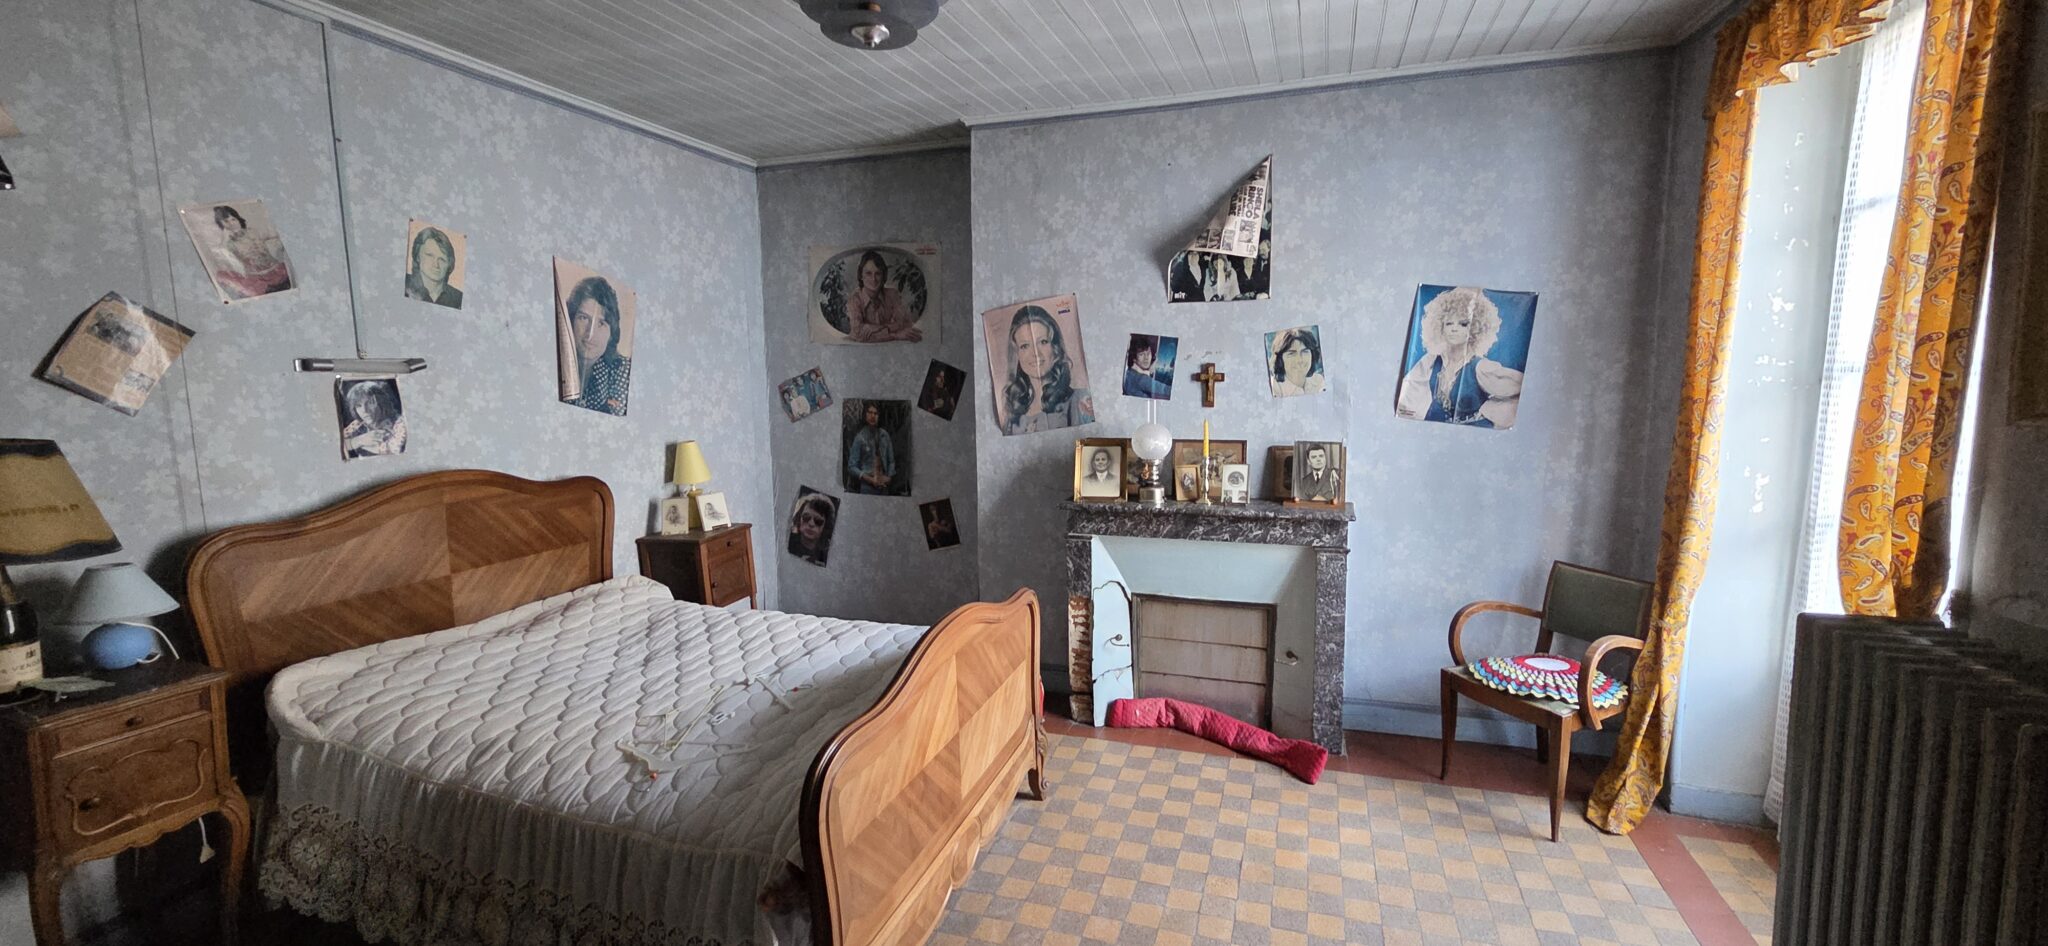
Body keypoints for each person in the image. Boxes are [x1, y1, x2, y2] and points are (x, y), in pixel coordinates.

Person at [1396, 286, 1523, 428]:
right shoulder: (1431, 360)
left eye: (1463, 324)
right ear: (1440, 327)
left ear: (1475, 328)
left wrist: (1489, 413)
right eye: (1448, 323)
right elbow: (1407, 391)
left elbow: (1520, 388)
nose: (1454, 328)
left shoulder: (1481, 367)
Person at [999, 305, 1095, 434]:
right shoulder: (1012, 417)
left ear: (1056, 349)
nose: (1035, 353)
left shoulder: (1080, 400)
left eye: (1043, 342)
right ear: (1017, 355)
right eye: (1025, 346)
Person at [564, 276, 632, 416]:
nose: (590, 333)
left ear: (611, 333)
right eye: (583, 318)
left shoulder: (622, 371)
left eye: (601, 323)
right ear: (570, 321)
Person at [205, 204, 292, 299]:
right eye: (226, 221)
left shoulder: (252, 231)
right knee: (223, 276)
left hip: (273, 267)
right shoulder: (229, 243)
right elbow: (223, 252)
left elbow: (271, 236)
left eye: (233, 219)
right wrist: (225, 236)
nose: (231, 223)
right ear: (221, 224)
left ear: (238, 219)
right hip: (255, 275)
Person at [846, 250, 922, 342]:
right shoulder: (854, 299)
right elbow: (858, 334)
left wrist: (877, 328)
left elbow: (905, 324)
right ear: (861, 276)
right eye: (868, 273)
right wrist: (895, 335)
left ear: (883, 276)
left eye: (878, 273)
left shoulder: (893, 295)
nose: (873, 279)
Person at [340, 381, 405, 458]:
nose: (364, 410)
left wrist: (356, 444)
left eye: (370, 403)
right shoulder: (359, 423)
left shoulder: (400, 423)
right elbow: (337, 443)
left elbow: (395, 450)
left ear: (381, 402)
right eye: (358, 405)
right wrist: (360, 440)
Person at [845, 402, 898, 495]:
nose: (873, 416)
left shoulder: (884, 435)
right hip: (867, 486)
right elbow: (851, 466)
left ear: (879, 416)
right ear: (865, 415)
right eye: (870, 412)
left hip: (884, 485)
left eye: (875, 413)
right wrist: (869, 479)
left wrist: (889, 477)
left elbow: (891, 461)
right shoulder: (860, 438)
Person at [404, 226, 463, 308]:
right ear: (418, 256)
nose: (436, 265)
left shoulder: (458, 298)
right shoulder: (405, 283)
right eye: (430, 255)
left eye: (442, 259)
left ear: (449, 264)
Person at [1268, 327, 1326, 397]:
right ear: (1280, 360)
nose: (1299, 360)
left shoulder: (1318, 381)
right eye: (1291, 354)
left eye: (1305, 351)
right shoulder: (1274, 388)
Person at [787, 492, 835, 565]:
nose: (811, 524)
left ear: (825, 526)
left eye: (818, 521)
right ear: (799, 518)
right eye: (806, 517)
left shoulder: (829, 555)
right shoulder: (786, 542)